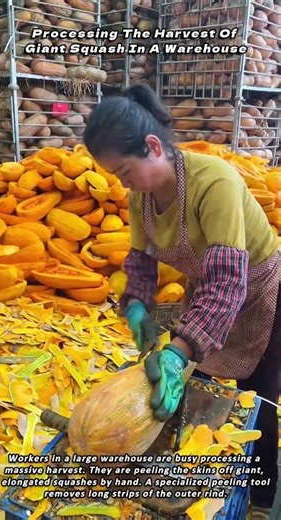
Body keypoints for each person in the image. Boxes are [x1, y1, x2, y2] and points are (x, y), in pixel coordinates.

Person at [83, 84, 280, 519]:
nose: (122, 183)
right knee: (195, 392)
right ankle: (187, 474)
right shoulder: (142, 198)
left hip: (263, 291)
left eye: (123, 171)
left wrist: (179, 350)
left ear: (153, 147)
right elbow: (139, 261)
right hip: (209, 291)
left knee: (256, 400)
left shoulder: (215, 181)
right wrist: (136, 302)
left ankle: (261, 502)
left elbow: (229, 281)